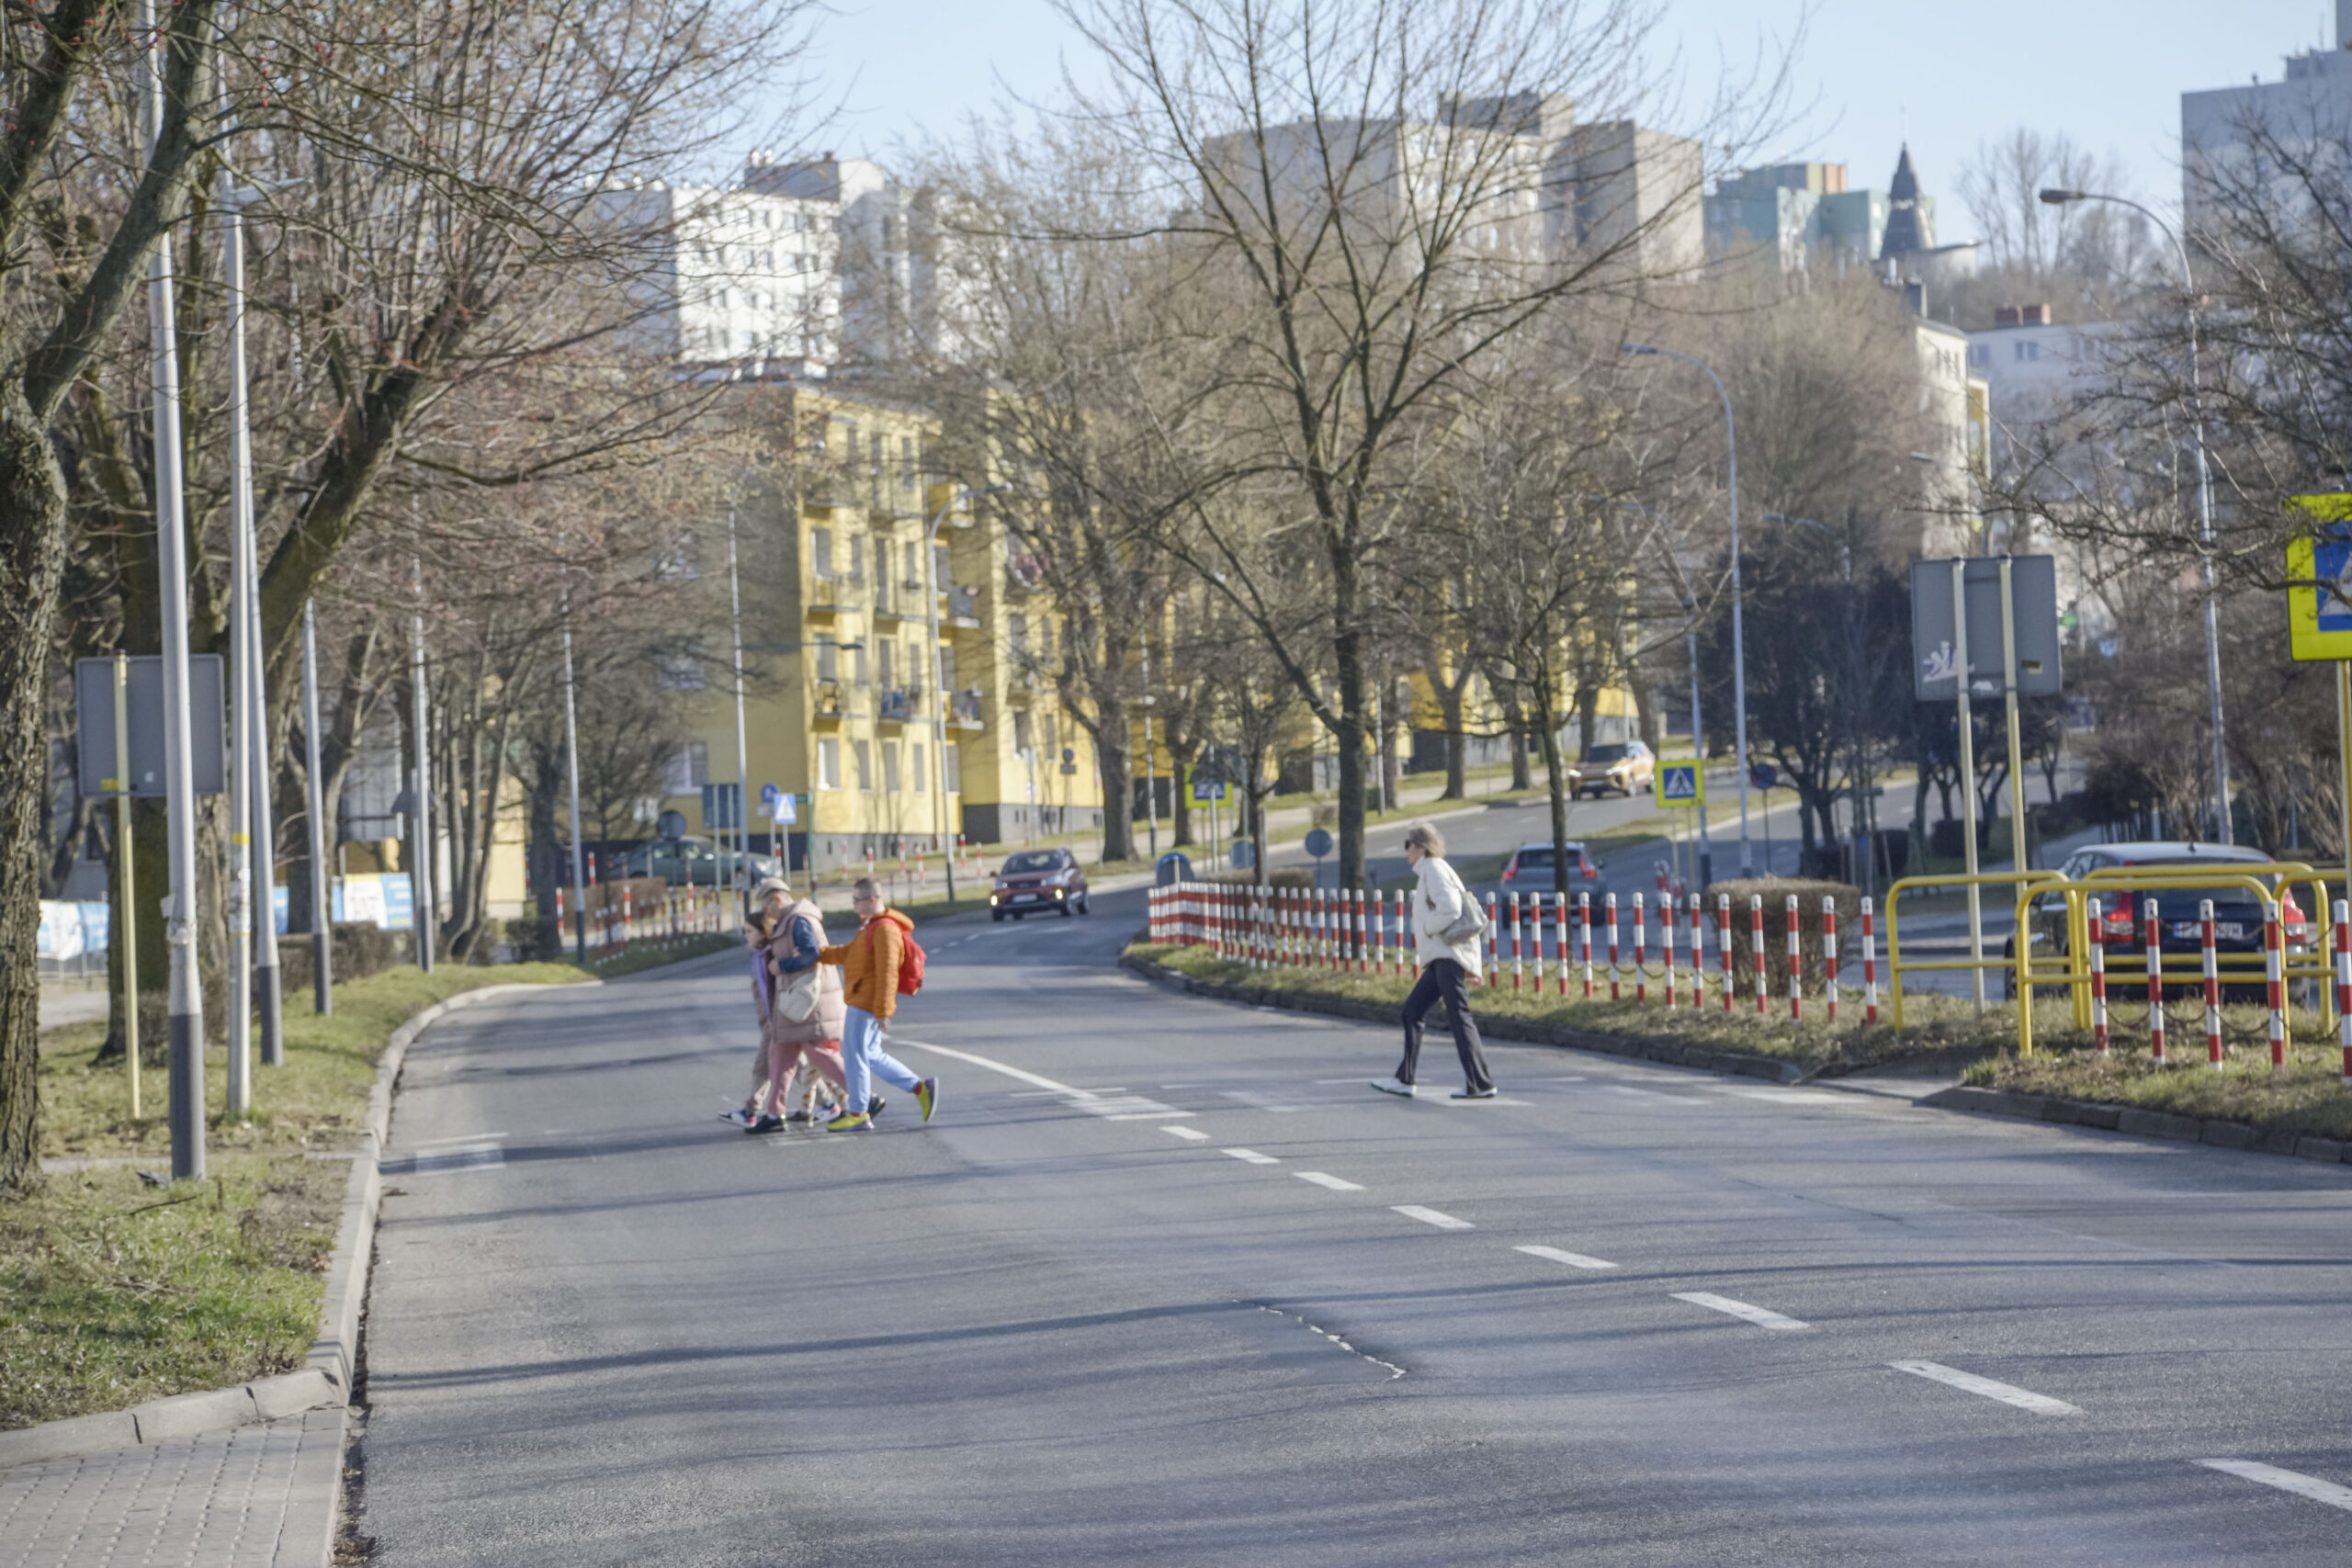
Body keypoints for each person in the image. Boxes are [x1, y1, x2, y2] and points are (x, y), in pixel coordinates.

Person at [1373, 820, 1497, 1100]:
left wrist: (1427, 928)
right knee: (1412, 1011)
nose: (1406, 850)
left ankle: (1480, 1083)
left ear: (1421, 846)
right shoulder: (1430, 870)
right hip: (1442, 957)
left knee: (1459, 1016)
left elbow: (1451, 909)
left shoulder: (1434, 869)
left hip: (1448, 956)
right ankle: (1405, 1079)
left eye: (1408, 844)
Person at [816, 877, 938, 1132]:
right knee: (870, 1054)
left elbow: (887, 973)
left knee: (855, 1055)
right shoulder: (869, 926)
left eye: (856, 900)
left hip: (866, 1002)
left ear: (872, 900)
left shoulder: (885, 930)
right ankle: (920, 1088)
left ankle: (859, 1112)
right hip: (862, 999)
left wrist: (883, 1011)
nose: (854, 906)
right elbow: (849, 954)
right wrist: (819, 954)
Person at [747, 877, 851, 1134]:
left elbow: (812, 954)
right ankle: (775, 1114)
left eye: (766, 907)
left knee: (819, 1054)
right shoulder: (790, 920)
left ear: (777, 899)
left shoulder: (798, 920)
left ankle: (865, 1096)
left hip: (806, 1003)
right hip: (794, 1002)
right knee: (779, 1056)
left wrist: (781, 965)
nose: (766, 913)